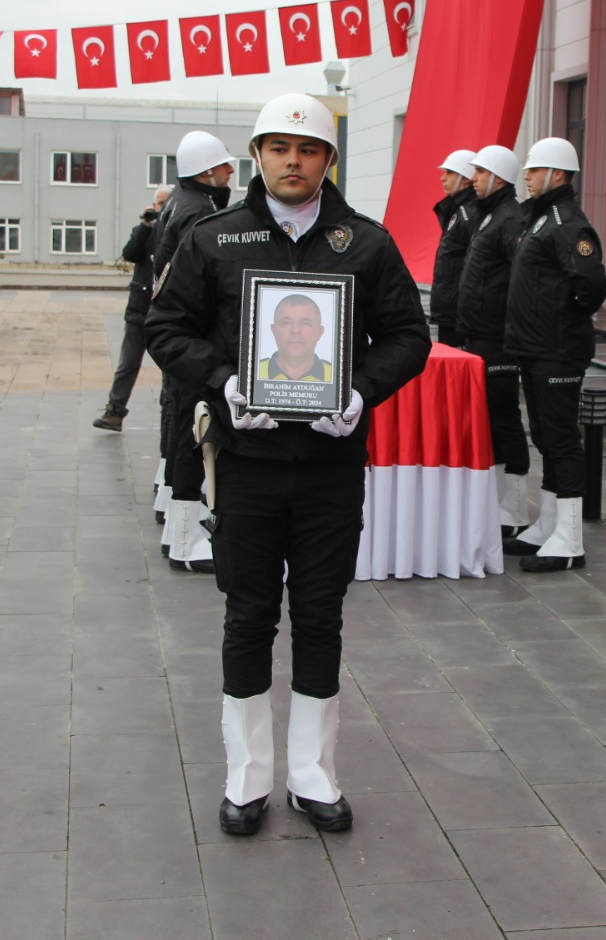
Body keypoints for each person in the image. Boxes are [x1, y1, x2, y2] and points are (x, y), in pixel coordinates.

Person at [146, 94, 429, 836]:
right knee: (247, 613)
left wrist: (362, 392)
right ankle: (247, 777)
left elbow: (408, 336)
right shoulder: (215, 238)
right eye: (278, 148)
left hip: (332, 464)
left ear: (327, 160)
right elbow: (166, 327)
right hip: (247, 461)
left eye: (306, 150)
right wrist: (227, 382)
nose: (292, 161)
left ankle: (313, 775)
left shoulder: (365, 244)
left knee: (320, 613)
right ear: (258, 156)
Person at [503, 137, 606, 573]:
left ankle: (569, 541)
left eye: (534, 169)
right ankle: (548, 526)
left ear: (558, 174)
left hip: (557, 349)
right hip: (535, 346)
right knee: (545, 435)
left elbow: (592, 284)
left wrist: (565, 317)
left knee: (562, 440)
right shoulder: (542, 218)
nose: (526, 175)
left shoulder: (567, 222)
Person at [150, 133, 235, 574]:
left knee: (181, 421)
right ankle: (185, 540)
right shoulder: (198, 212)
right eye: (224, 167)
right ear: (205, 172)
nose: (230, 173)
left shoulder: (181, 203)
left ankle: (176, 517)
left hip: (179, 333)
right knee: (192, 430)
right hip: (193, 337)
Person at [455, 144, 531, 537]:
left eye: (480, 174)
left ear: (499, 177)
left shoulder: (509, 219)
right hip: (480, 335)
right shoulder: (490, 216)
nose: (474, 180)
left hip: (499, 339)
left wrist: (507, 332)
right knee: (490, 418)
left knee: (504, 417)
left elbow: (519, 283)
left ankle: (515, 509)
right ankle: (499, 503)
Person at [94, 185, 171, 432]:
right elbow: (130, 254)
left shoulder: (175, 229)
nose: (160, 209)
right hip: (139, 308)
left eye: (164, 203)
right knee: (128, 363)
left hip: (166, 311)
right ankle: (114, 411)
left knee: (170, 366)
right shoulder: (146, 230)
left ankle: (168, 413)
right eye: (157, 204)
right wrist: (143, 226)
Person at [429, 150, 478, 348]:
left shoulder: (467, 214)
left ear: (466, 179)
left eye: (450, 173)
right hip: (450, 310)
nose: (443, 178)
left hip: (457, 312)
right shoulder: (458, 210)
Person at [257, 294, 332, 381]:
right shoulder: (252, 372)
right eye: (286, 323)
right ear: (274, 331)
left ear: (319, 332)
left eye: (305, 323)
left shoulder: (338, 377)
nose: (295, 330)